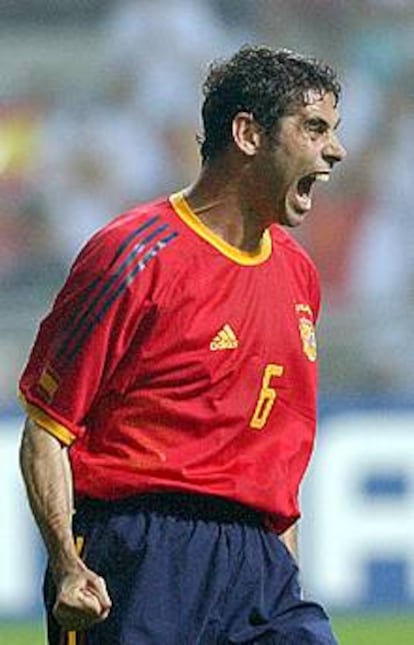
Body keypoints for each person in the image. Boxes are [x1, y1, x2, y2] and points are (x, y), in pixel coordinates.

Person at [19, 45, 346, 644]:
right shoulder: (134, 255)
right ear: (247, 133)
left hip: (258, 567)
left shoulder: (299, 275)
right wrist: (67, 564)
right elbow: (47, 430)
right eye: (315, 128)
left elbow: (276, 453)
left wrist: (283, 569)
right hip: (140, 556)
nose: (334, 151)